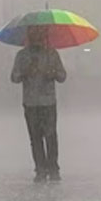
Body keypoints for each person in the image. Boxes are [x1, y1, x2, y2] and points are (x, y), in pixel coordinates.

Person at [10, 27, 67, 182]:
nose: (37, 39)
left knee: (50, 136)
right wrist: (25, 72)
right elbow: (14, 77)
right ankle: (40, 169)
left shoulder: (52, 54)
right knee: (35, 138)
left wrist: (53, 72)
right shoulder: (22, 56)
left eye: (40, 35)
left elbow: (62, 76)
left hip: (48, 102)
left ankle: (53, 168)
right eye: (33, 35)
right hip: (30, 103)